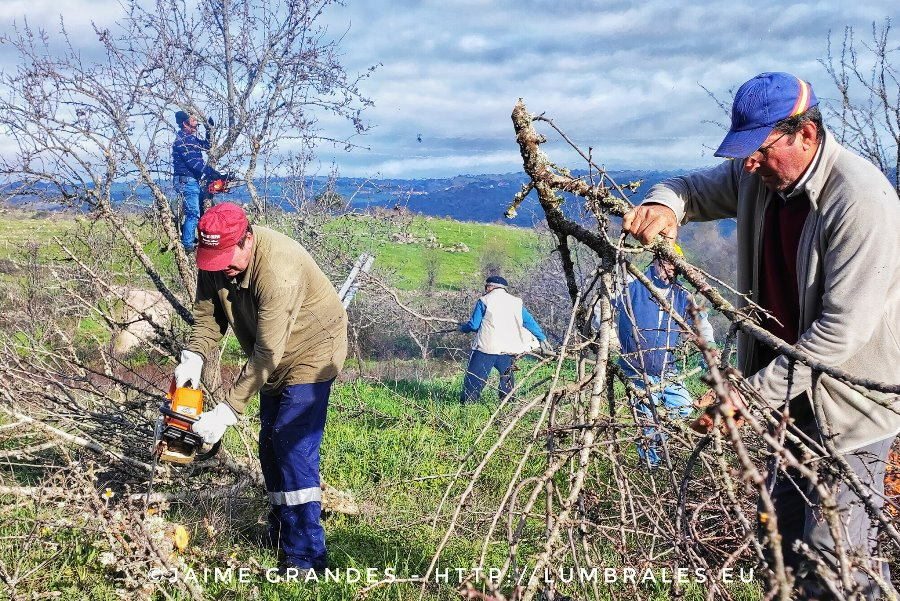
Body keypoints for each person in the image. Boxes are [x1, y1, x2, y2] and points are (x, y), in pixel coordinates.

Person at [622, 72, 900, 599]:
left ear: (807, 135)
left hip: (849, 409)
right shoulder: (761, 178)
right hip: (787, 401)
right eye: (744, 150)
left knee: (831, 560)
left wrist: (743, 398)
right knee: (785, 551)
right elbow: (688, 189)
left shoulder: (861, 202)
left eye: (760, 149)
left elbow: (838, 335)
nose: (748, 162)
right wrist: (664, 204)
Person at [172, 202, 348, 573]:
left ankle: (305, 557)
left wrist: (227, 411)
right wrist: (193, 357)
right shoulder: (215, 262)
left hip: (314, 349)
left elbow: (267, 352)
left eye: (228, 259)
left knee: (291, 442)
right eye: (213, 260)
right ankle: (282, 530)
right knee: (269, 444)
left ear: (247, 239)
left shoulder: (279, 270)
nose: (222, 269)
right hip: (269, 355)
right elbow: (207, 319)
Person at [612, 246, 716, 468]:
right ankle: (650, 464)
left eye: (674, 264)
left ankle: (659, 446)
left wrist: (710, 346)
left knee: (684, 406)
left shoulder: (682, 295)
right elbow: (604, 308)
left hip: (667, 368)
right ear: (656, 260)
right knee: (647, 416)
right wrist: (606, 334)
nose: (669, 269)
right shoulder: (633, 285)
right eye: (665, 262)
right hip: (636, 365)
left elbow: (701, 323)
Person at [457, 275, 552, 404]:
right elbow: (529, 322)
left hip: (487, 347)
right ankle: (508, 404)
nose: (485, 289)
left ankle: (467, 405)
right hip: (509, 349)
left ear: (492, 287)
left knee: (474, 378)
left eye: (486, 286)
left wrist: (462, 328)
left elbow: (473, 325)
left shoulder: (484, 300)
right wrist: (542, 338)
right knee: (506, 378)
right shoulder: (517, 302)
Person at [171, 110, 222, 251]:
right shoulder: (183, 141)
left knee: (199, 209)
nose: (196, 127)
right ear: (184, 123)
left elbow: (206, 146)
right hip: (186, 181)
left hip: (191, 181)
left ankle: (190, 235)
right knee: (193, 213)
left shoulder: (190, 139)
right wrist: (214, 173)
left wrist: (209, 131)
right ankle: (187, 244)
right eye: (194, 124)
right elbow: (195, 164)